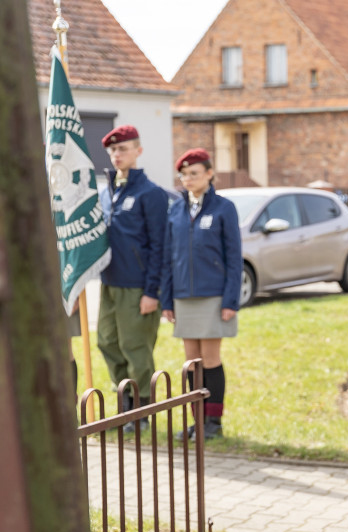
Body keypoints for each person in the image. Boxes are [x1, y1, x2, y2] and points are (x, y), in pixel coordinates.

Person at [161, 149, 242, 440]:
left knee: (210, 360)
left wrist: (230, 300)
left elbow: (234, 257)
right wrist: (167, 299)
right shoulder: (175, 210)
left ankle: (213, 422)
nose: (188, 179)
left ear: (209, 174)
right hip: (183, 296)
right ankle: (196, 421)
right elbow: (168, 258)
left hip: (213, 296)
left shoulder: (224, 208)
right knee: (191, 363)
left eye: (194, 173)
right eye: (184, 174)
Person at [97, 124, 168, 433]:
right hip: (109, 283)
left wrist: (152, 291)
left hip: (138, 286)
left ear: (138, 151)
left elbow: (160, 245)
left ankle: (141, 412)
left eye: (123, 149)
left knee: (135, 346)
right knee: (107, 341)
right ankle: (125, 401)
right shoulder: (106, 193)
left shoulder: (150, 194)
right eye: (113, 150)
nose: (117, 155)